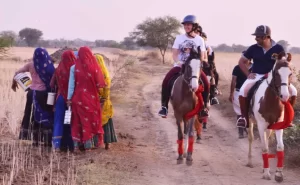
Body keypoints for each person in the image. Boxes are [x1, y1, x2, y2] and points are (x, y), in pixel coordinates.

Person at [237, 25, 298, 128]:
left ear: (266, 37)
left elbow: (283, 64)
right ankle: (244, 118)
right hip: (257, 75)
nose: (256, 38)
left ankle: (288, 118)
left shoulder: (278, 48)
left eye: (258, 36)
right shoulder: (253, 48)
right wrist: (248, 74)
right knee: (243, 91)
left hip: (273, 77)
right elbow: (241, 62)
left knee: (293, 91)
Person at [158, 15, 207, 118]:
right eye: (185, 25)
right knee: (166, 80)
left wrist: (196, 64)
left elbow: (202, 56)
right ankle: (164, 107)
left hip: (194, 67)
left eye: (189, 25)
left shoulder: (200, 40)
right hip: (181, 65)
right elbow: (175, 54)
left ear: (194, 26)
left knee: (206, 82)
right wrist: (179, 62)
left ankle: (204, 107)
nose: (186, 27)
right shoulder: (179, 38)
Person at [67, 46, 106, 152]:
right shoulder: (94, 67)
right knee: (91, 121)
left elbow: (71, 85)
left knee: (77, 122)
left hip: (78, 98)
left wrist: (69, 99)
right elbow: (100, 84)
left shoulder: (74, 68)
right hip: (91, 99)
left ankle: (76, 146)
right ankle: (89, 145)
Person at [50, 50, 76, 152]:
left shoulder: (58, 69)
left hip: (60, 98)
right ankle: (71, 145)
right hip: (72, 99)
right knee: (71, 121)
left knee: (58, 121)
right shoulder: (75, 69)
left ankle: (56, 145)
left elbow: (51, 84)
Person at [95, 54, 118, 150]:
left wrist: (102, 99)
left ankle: (103, 142)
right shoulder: (105, 73)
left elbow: (105, 88)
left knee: (101, 121)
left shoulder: (99, 73)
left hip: (100, 101)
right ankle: (106, 143)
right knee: (107, 122)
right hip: (104, 101)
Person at [229, 51, 251, 138]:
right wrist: (231, 93)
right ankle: (241, 132)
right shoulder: (237, 68)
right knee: (239, 112)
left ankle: (248, 129)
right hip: (238, 92)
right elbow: (233, 80)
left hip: (251, 92)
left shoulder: (254, 67)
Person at [201, 32, 220, 105]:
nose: (202, 38)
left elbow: (212, 59)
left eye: (204, 37)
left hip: (207, 65)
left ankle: (213, 93)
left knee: (215, 75)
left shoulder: (208, 47)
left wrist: (211, 66)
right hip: (197, 64)